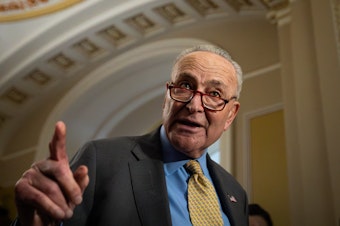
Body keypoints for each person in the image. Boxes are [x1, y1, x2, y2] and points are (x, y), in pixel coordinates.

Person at [12, 44, 248, 226]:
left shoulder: (235, 193)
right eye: (185, 86)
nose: (194, 105)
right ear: (167, 96)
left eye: (215, 93)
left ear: (230, 115)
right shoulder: (101, 159)